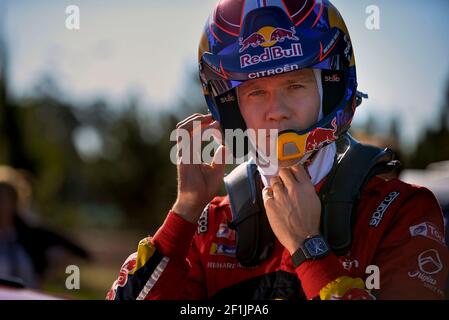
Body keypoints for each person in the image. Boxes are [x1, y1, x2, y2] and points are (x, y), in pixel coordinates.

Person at [107, 0, 449, 300]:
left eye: (294, 84)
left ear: (331, 88)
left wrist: (308, 247)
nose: (276, 111)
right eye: (255, 91)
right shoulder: (212, 222)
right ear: (231, 107)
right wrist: (185, 211)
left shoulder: (400, 211)